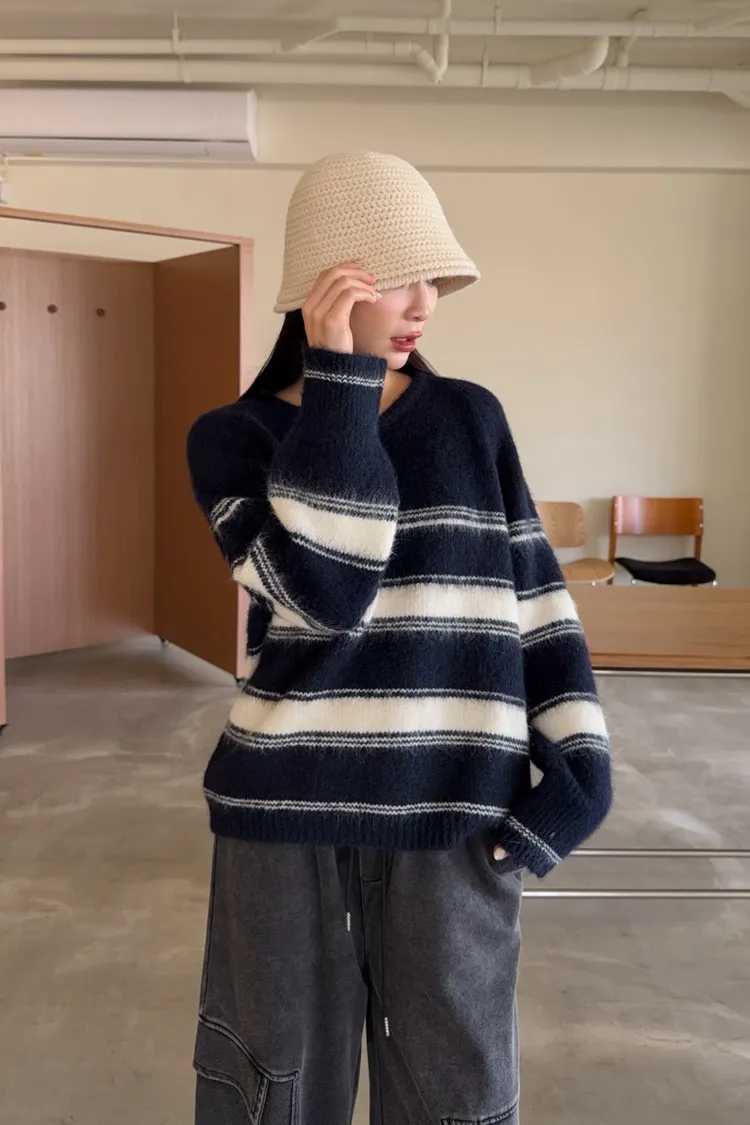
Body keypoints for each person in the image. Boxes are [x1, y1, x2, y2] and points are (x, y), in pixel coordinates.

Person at [186, 151, 612, 1125]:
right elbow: (326, 595)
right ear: (328, 282)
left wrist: (582, 764)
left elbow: (534, 598)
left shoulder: (469, 420)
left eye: (437, 280)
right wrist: (340, 388)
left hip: (455, 808)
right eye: (402, 276)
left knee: (458, 1094)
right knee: (274, 1091)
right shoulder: (233, 439)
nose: (426, 304)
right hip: (284, 813)